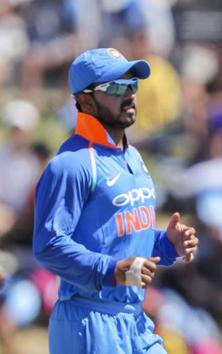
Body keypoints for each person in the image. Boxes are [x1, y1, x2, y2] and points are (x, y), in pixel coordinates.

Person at [33, 48, 198, 354]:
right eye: (116, 87)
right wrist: (112, 270)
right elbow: (48, 245)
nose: (130, 95)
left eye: (132, 85)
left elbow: (118, 240)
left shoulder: (132, 156)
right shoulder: (71, 164)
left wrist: (165, 244)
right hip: (88, 321)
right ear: (85, 100)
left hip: (134, 318)